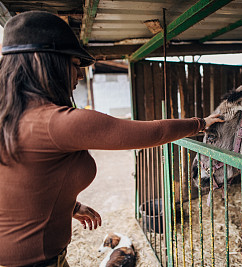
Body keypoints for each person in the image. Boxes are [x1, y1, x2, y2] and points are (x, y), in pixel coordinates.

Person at [0, 11, 223, 267]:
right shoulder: (58, 122)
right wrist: (201, 123)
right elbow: (154, 132)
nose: (80, 76)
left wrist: (70, 207)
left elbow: (21, 181)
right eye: (75, 64)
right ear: (48, 64)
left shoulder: (10, 116)